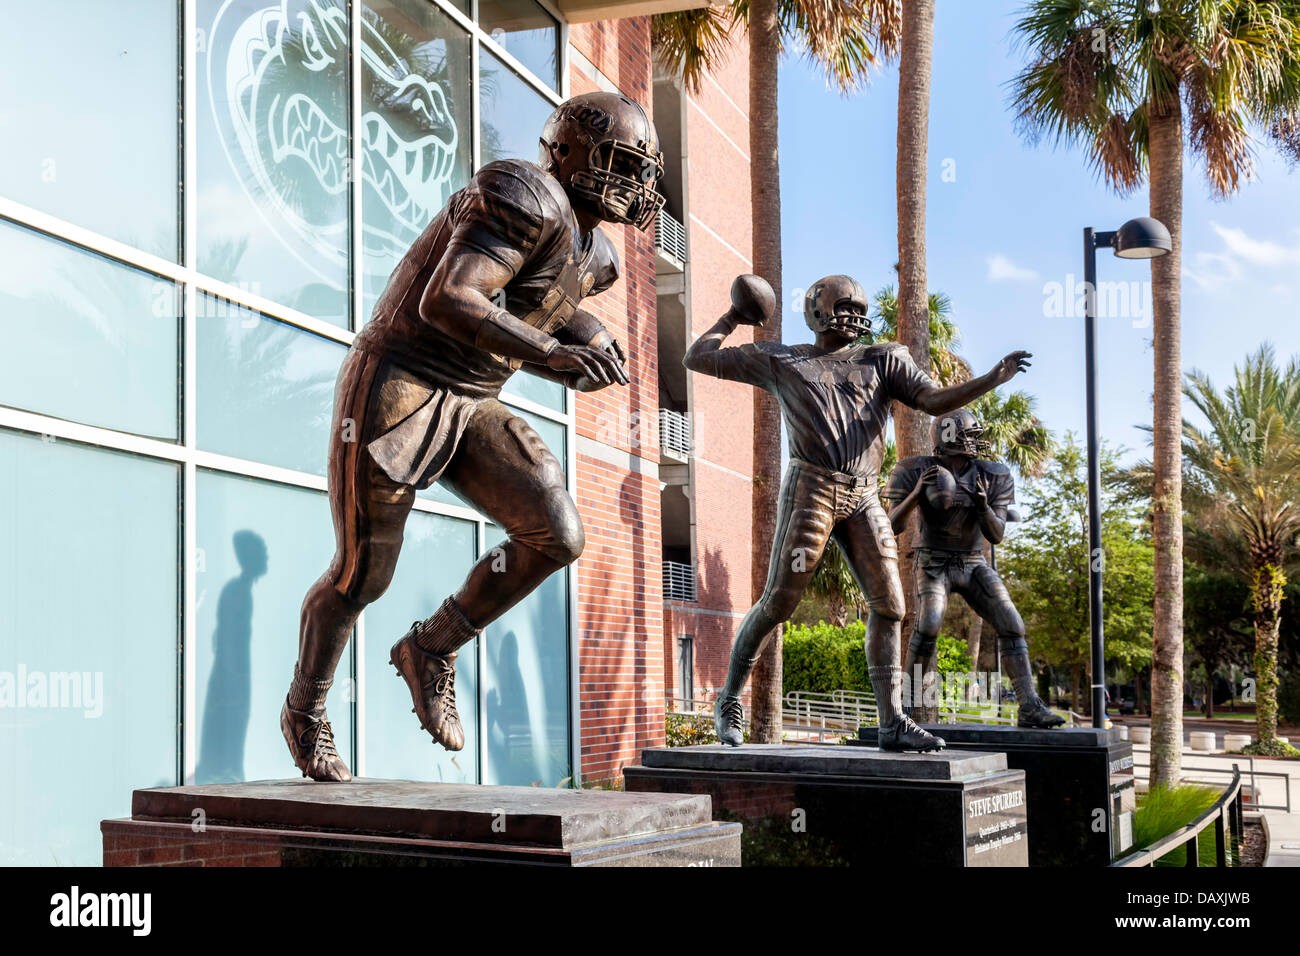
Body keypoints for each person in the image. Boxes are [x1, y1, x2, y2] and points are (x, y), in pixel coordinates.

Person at [282, 91, 664, 781]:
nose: (634, 184)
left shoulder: (596, 255)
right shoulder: (524, 191)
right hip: (401, 378)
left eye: (641, 171)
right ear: (569, 150)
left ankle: (432, 647)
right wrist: (553, 353)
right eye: (621, 163)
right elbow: (450, 298)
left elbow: (535, 301)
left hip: (473, 397)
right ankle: (305, 709)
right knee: (364, 573)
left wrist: (584, 335)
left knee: (557, 532)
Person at [684, 274, 1031, 751]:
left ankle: (892, 720)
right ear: (819, 311)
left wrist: (993, 378)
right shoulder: (784, 359)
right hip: (813, 489)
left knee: (891, 604)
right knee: (779, 602)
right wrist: (734, 317)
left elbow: (932, 401)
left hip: (865, 494)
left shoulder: (883, 359)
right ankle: (728, 699)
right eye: (845, 306)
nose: (854, 315)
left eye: (859, 307)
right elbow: (696, 357)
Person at [883, 409, 1065, 728]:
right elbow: (893, 524)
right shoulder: (915, 469)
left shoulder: (992, 474)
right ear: (950, 438)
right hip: (934, 561)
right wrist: (916, 494)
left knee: (1012, 623)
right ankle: (905, 708)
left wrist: (982, 508)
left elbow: (995, 534)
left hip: (972, 561)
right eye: (970, 434)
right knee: (928, 625)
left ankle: (1029, 706)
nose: (977, 440)